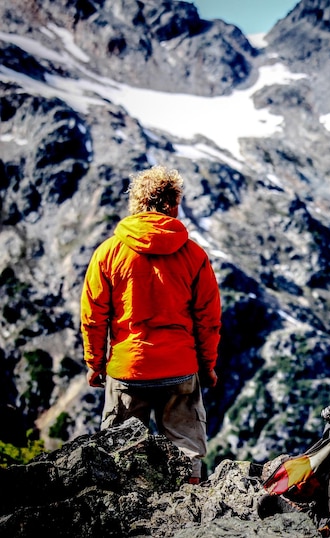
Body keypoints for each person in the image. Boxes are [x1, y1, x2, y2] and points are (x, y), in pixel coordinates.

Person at [80, 164, 221, 484]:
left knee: (119, 454)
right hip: (180, 369)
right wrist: (207, 365)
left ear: (137, 204)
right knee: (187, 452)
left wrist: (95, 363)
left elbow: (93, 317)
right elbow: (209, 319)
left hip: (128, 370)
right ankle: (190, 515)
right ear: (172, 205)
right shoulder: (194, 254)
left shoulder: (108, 253)